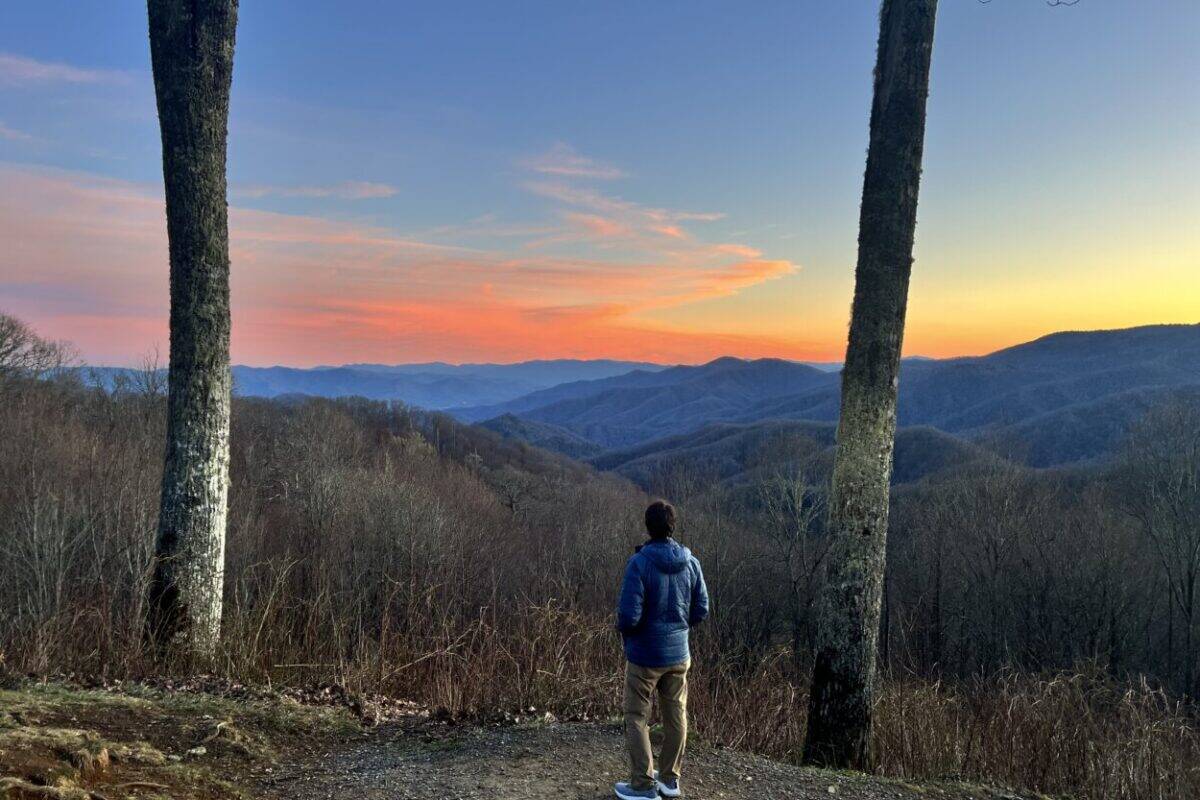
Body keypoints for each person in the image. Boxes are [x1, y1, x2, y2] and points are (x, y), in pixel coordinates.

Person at [614, 500, 709, 800]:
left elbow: (628, 617)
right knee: (676, 714)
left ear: (648, 526)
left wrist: (628, 634)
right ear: (672, 526)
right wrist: (680, 628)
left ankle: (642, 785)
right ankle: (670, 780)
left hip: (644, 655)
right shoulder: (691, 562)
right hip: (679, 655)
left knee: (636, 716)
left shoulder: (639, 564)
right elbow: (701, 608)